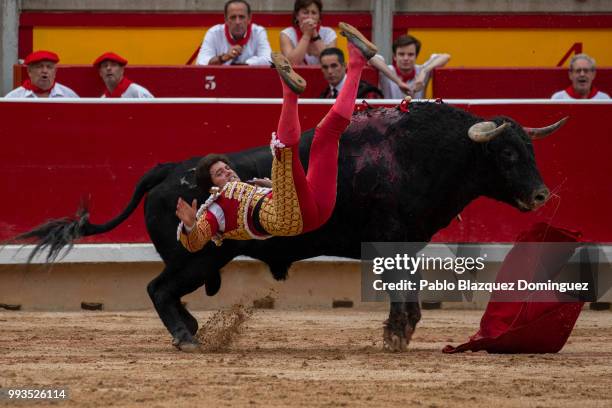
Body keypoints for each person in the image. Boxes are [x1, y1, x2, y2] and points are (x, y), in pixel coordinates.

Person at [176, 23, 376, 251]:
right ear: (210, 186)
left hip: (316, 211)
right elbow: (196, 243)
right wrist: (191, 226)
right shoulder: (216, 208)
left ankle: (358, 61)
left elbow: (287, 191)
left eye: (227, 168)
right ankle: (289, 93)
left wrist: (271, 188)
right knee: (282, 154)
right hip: (287, 218)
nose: (228, 172)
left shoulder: (252, 186)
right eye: (219, 174)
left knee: (327, 135)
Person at [373, 34, 450, 99]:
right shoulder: (386, 70)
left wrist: (424, 72)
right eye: (401, 54)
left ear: (416, 56)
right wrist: (398, 81)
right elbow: (371, 58)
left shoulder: (422, 70)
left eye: (410, 54)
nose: (406, 58)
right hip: (390, 115)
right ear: (394, 56)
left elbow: (446, 57)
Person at [196, 0, 271, 66]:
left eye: (241, 17)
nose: (237, 22)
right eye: (233, 17)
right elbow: (201, 62)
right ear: (225, 19)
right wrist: (223, 58)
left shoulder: (258, 32)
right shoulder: (214, 33)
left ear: (249, 18)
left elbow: (269, 60)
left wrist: (245, 65)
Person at [280, 0, 336, 65]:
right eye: (305, 13)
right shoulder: (286, 34)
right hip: (296, 74)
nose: (310, 17)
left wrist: (314, 34)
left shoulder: (329, 33)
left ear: (319, 17)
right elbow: (293, 63)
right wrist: (307, 35)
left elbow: (330, 62)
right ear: (297, 16)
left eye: (314, 13)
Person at [5, 50, 79, 98]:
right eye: (39, 67)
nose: (45, 71)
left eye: (49, 67)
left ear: (55, 72)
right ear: (29, 71)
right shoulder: (14, 97)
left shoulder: (69, 95)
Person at [319, 47, 383, 99]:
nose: (329, 71)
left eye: (334, 66)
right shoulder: (324, 95)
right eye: (325, 67)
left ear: (344, 66)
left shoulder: (366, 92)